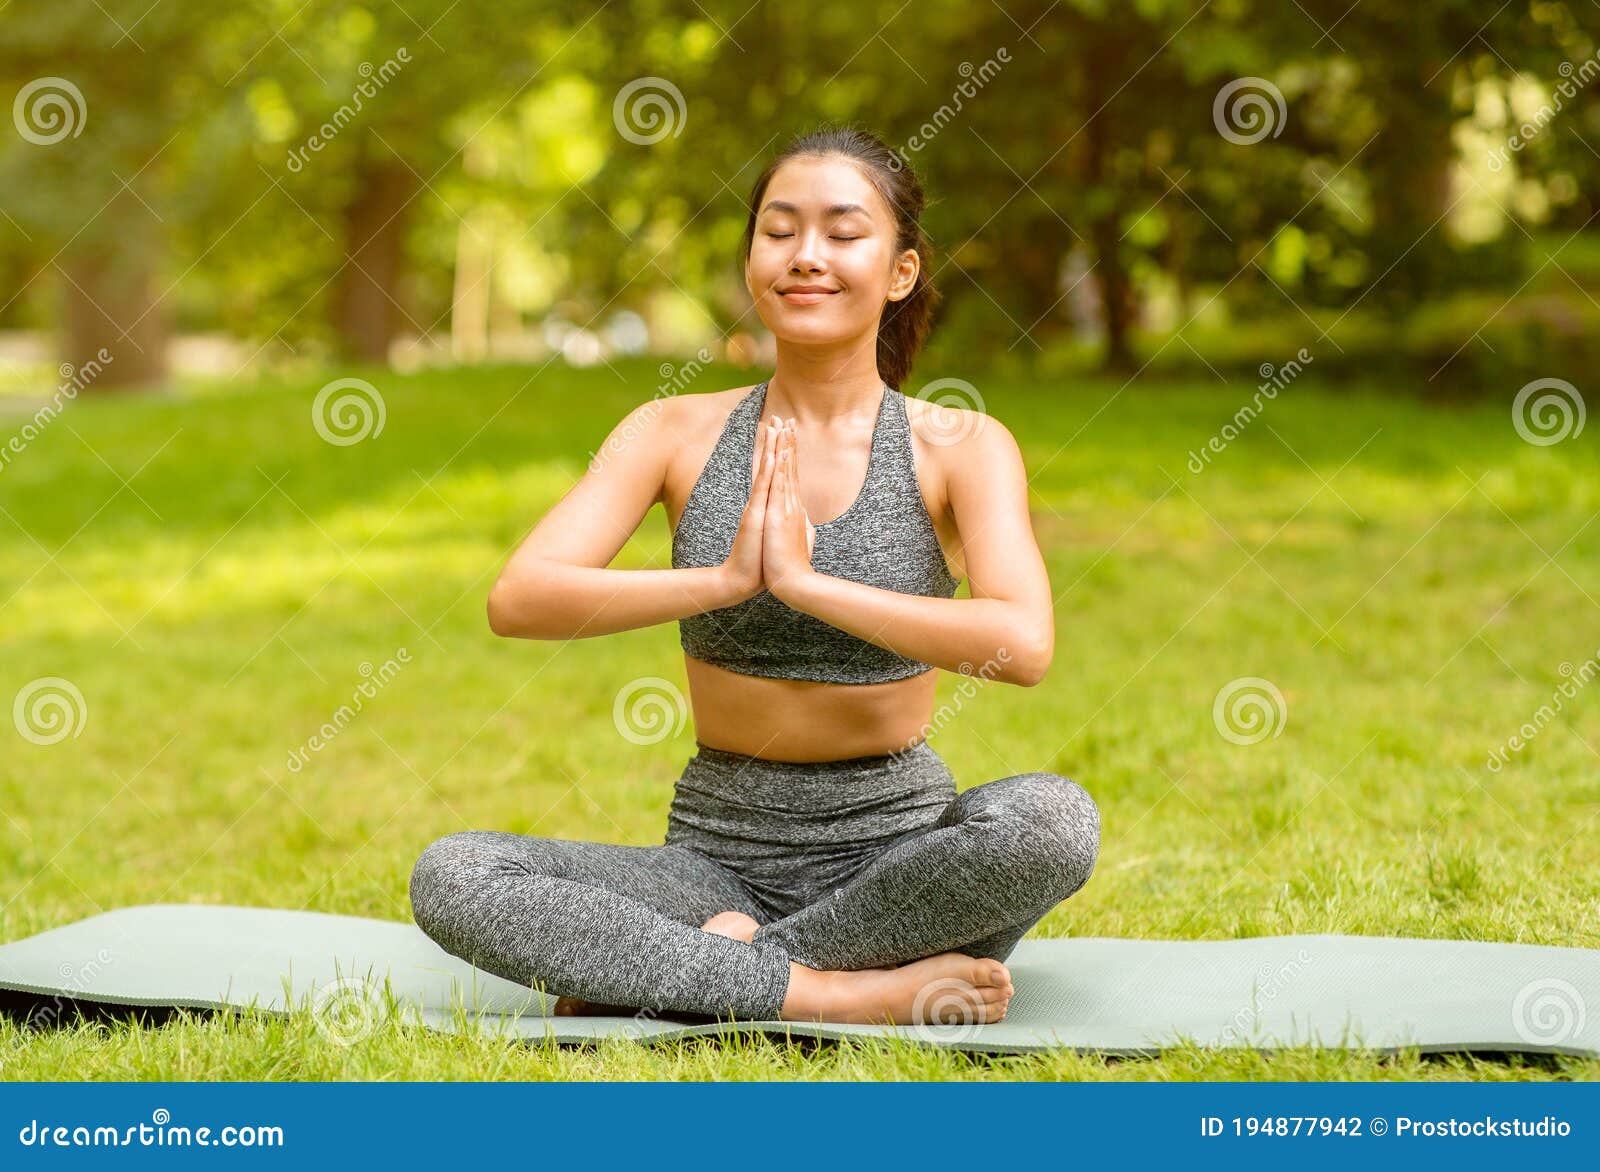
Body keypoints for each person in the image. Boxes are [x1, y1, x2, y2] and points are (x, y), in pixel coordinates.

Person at [408, 124, 1100, 1028]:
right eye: (779, 231)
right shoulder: (669, 432)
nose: (807, 256)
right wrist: (725, 580)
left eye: (844, 232)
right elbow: (521, 598)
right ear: (750, 262)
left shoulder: (958, 445)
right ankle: (832, 993)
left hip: (900, 866)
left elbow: (1023, 644)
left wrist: (812, 587)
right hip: (713, 862)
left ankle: (693, 978)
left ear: (900, 271)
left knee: (1053, 821)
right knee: (454, 874)